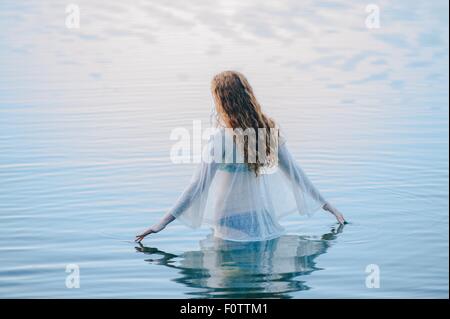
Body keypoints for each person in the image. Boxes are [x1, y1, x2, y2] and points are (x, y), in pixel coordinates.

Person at [136, 71, 345, 243]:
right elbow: (296, 175)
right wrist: (329, 206)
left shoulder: (220, 138)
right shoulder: (268, 132)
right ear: (248, 96)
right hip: (261, 218)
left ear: (221, 101)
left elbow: (198, 185)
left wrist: (162, 223)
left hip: (229, 221)